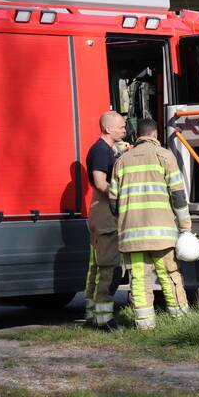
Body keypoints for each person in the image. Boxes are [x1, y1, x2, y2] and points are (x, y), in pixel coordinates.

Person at [108, 118, 192, 329]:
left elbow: (112, 201)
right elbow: (178, 197)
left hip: (132, 236)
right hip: (161, 236)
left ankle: (144, 324)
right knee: (169, 275)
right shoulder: (165, 156)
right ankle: (181, 321)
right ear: (155, 135)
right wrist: (185, 228)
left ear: (137, 136)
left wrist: (123, 223)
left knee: (139, 279)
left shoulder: (121, 161)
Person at [83, 111, 127, 330]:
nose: (124, 130)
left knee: (98, 269)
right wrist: (122, 194)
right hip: (105, 215)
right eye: (121, 127)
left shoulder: (106, 149)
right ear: (108, 129)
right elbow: (100, 183)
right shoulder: (101, 150)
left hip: (101, 213)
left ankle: (93, 314)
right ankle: (105, 319)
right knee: (110, 268)